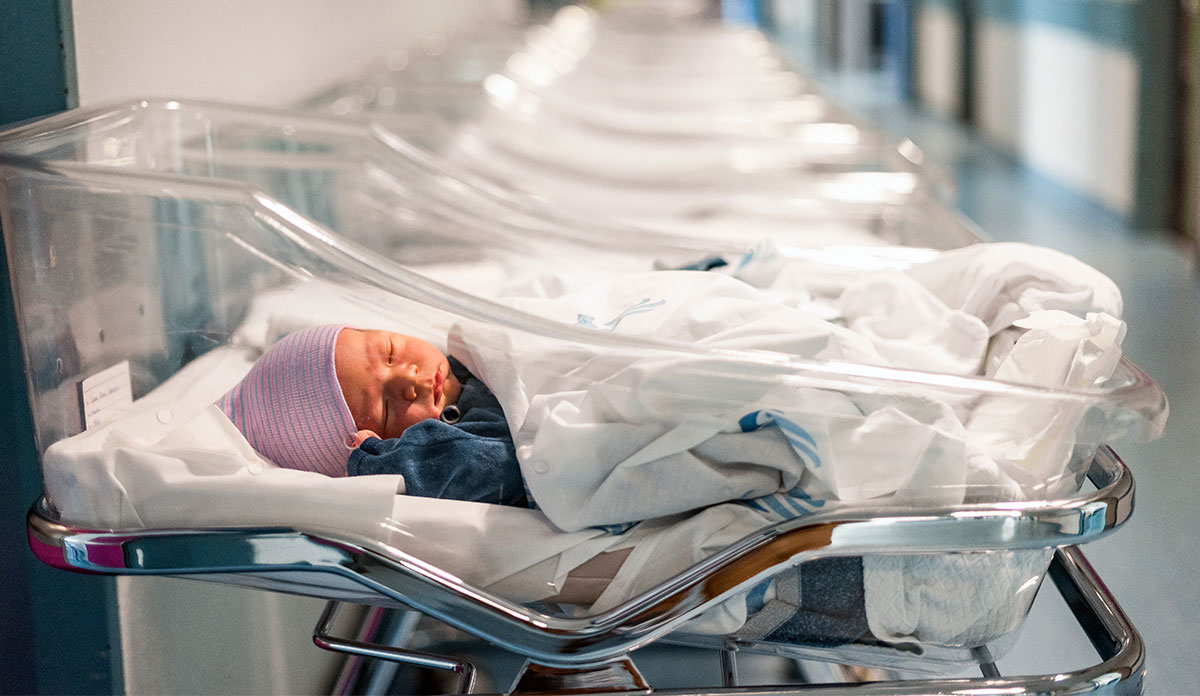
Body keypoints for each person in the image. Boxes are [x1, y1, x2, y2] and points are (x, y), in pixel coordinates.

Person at [219, 324, 527, 506]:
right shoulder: (467, 441)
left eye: (391, 351)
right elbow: (499, 465)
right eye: (386, 408)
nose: (409, 378)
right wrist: (382, 462)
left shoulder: (469, 359)